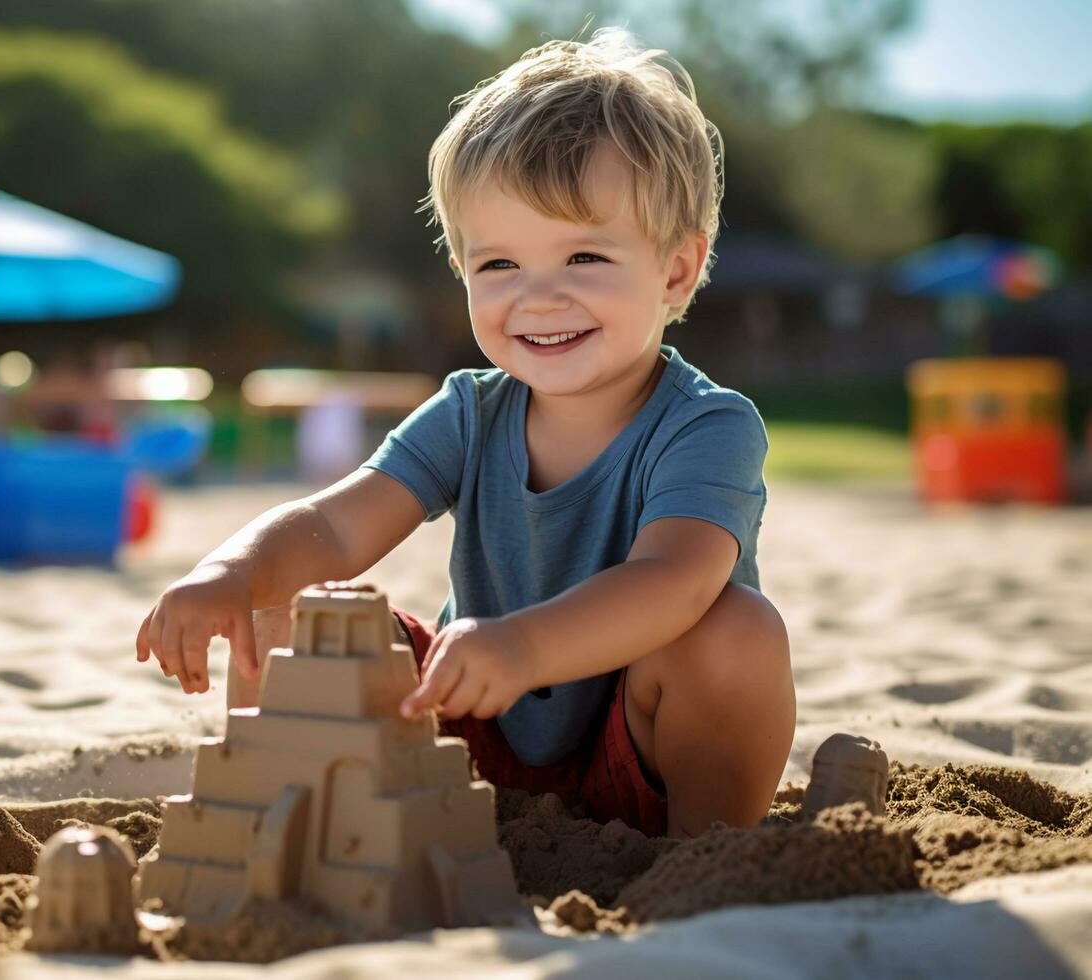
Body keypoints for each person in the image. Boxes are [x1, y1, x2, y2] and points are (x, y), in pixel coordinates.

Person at [135, 29, 794, 839]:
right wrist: (232, 572)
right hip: (464, 739)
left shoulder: (705, 425)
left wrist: (523, 647)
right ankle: (286, 840)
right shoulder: (470, 412)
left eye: (584, 256)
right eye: (499, 266)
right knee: (295, 610)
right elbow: (337, 523)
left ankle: (709, 864)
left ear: (676, 271)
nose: (538, 298)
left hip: (636, 756)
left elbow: (674, 580)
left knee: (736, 633)